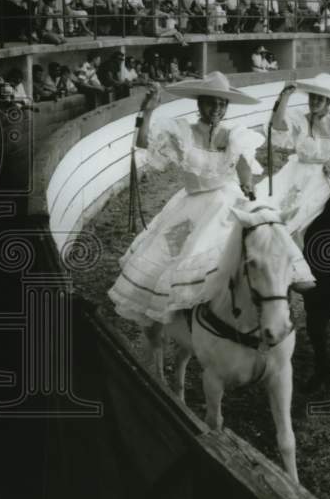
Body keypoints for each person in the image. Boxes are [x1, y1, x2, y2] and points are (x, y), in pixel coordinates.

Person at [108, 71, 315, 328]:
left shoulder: (234, 135)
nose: (216, 108)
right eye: (211, 102)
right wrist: (147, 111)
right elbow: (143, 142)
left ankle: (287, 277)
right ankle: (189, 307)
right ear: (199, 103)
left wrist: (247, 184)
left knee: (263, 226)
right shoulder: (183, 132)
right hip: (192, 204)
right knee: (173, 254)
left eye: (222, 104)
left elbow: (242, 165)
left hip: (228, 199)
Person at [269, 73, 330, 242]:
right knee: (286, 213)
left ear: (328, 102)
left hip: (329, 177)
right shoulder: (300, 121)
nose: (314, 102)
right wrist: (284, 97)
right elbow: (276, 125)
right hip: (299, 175)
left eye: (319, 98)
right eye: (312, 97)